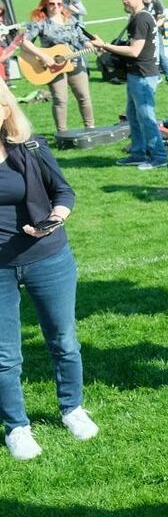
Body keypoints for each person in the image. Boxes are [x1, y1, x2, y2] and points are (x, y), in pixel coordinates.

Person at [0, 81, 96, 461]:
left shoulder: (30, 146)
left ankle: (72, 408)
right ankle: (17, 427)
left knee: (65, 342)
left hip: (47, 256)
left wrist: (55, 218)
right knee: (5, 356)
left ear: (6, 109)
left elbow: (64, 192)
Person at [95, 0, 166, 170]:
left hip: (142, 75)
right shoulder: (139, 17)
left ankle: (159, 156)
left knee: (146, 118)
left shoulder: (141, 19)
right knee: (134, 117)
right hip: (138, 73)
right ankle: (138, 153)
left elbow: (135, 51)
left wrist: (106, 46)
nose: (124, 1)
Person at [22, 0, 97, 134]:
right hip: (53, 66)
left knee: (84, 97)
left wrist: (94, 47)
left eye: (59, 4)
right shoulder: (40, 22)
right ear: (45, 4)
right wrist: (43, 56)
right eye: (51, 4)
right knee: (60, 100)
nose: (56, 7)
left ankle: (91, 130)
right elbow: (24, 42)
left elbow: (82, 39)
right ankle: (62, 133)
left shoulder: (71, 19)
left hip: (76, 62)